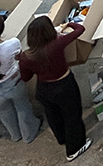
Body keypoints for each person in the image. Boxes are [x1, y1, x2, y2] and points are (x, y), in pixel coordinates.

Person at [18, 17, 92, 161]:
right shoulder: (57, 44)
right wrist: (67, 24)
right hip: (64, 85)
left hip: (43, 89)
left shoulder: (26, 56)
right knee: (72, 116)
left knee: (53, 115)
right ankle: (74, 149)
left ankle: (61, 137)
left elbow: (26, 78)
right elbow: (80, 29)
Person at [0, 17, 42, 145]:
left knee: (4, 111)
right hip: (13, 82)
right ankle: (29, 134)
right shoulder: (12, 44)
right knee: (22, 107)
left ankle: (15, 135)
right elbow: (20, 56)